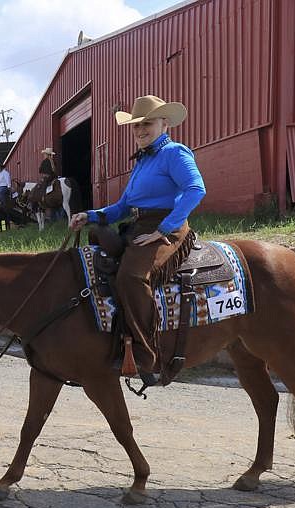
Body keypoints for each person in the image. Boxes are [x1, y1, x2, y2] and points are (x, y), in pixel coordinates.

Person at [69, 94, 205, 386]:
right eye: (136, 126)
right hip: (139, 223)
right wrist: (89, 215)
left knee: (131, 276)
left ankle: (147, 353)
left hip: (167, 224)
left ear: (164, 124)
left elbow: (195, 189)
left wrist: (165, 229)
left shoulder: (175, 153)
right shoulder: (143, 161)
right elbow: (121, 208)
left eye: (148, 124)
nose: (141, 130)